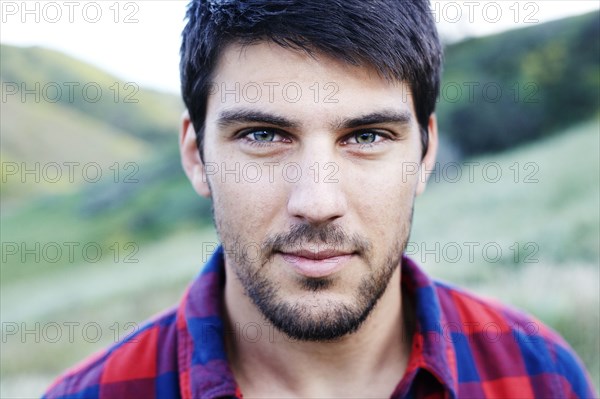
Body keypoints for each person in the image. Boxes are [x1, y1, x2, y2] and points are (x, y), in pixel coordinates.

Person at [44, 0, 596, 398]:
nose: (316, 201)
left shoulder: (540, 375)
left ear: (425, 154)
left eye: (366, 137)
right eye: (263, 135)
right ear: (196, 156)